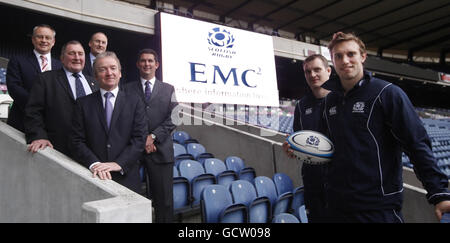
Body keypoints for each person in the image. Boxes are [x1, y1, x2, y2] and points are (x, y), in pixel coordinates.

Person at [323, 32, 450, 222]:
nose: (345, 60)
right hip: (338, 205)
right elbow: (327, 145)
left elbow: (416, 144)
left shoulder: (387, 93)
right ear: (332, 61)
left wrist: (439, 193)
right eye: (338, 56)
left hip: (377, 208)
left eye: (351, 54)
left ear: (363, 57)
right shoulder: (330, 100)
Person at [70, 51, 146, 193]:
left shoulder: (135, 102)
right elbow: (76, 140)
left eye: (113, 68)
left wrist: (118, 164)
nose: (109, 73)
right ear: (95, 75)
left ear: (120, 73)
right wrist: (95, 164)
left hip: (126, 176)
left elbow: (139, 139)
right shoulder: (82, 104)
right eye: (102, 69)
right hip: (94, 176)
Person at [125, 49, 177, 222]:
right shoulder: (126, 88)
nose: (146, 64)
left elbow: (175, 117)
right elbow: (123, 117)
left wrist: (153, 136)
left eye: (150, 61)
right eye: (143, 61)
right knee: (130, 200)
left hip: (161, 151)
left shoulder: (169, 89)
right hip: (133, 151)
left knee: (164, 202)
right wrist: (142, 139)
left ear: (157, 64)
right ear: (138, 64)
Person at [24, 40, 98, 156]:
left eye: (80, 53)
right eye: (72, 53)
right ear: (62, 58)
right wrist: (39, 136)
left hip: (90, 152)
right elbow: (33, 112)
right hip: (57, 148)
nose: (77, 57)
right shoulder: (46, 79)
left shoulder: (95, 83)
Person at [282, 54, 332, 223]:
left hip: (341, 182)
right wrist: (292, 148)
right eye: (307, 71)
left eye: (317, 70)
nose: (312, 75)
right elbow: (298, 140)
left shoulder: (342, 100)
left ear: (328, 71)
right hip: (313, 181)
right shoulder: (302, 106)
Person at [6, 24, 62, 132]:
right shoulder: (18, 61)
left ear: (53, 41)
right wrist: (37, 106)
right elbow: (14, 87)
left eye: (48, 37)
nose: (44, 40)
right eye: (40, 37)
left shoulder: (60, 66)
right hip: (22, 120)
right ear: (33, 39)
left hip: (53, 124)